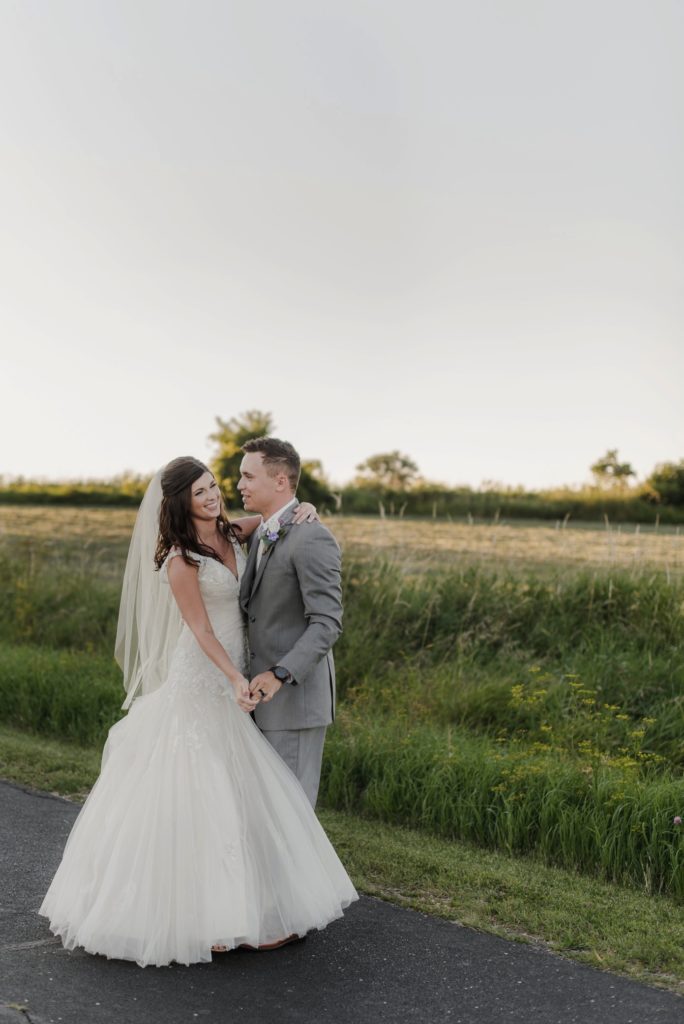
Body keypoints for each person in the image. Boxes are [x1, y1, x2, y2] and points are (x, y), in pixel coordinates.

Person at [39, 456, 357, 968]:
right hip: (205, 672)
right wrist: (234, 677)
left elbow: (280, 516)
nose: (212, 496)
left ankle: (244, 908)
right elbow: (202, 630)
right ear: (180, 504)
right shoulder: (179, 560)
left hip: (238, 677)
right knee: (196, 789)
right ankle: (189, 916)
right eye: (200, 493)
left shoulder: (236, 530)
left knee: (233, 793)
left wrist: (308, 508)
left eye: (214, 486)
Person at [237, 437, 342, 808]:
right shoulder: (262, 532)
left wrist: (280, 674)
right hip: (257, 700)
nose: (239, 485)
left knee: (290, 818)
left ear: (280, 481)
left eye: (248, 477)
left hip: (293, 700)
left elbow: (327, 623)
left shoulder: (311, 537)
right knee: (265, 816)